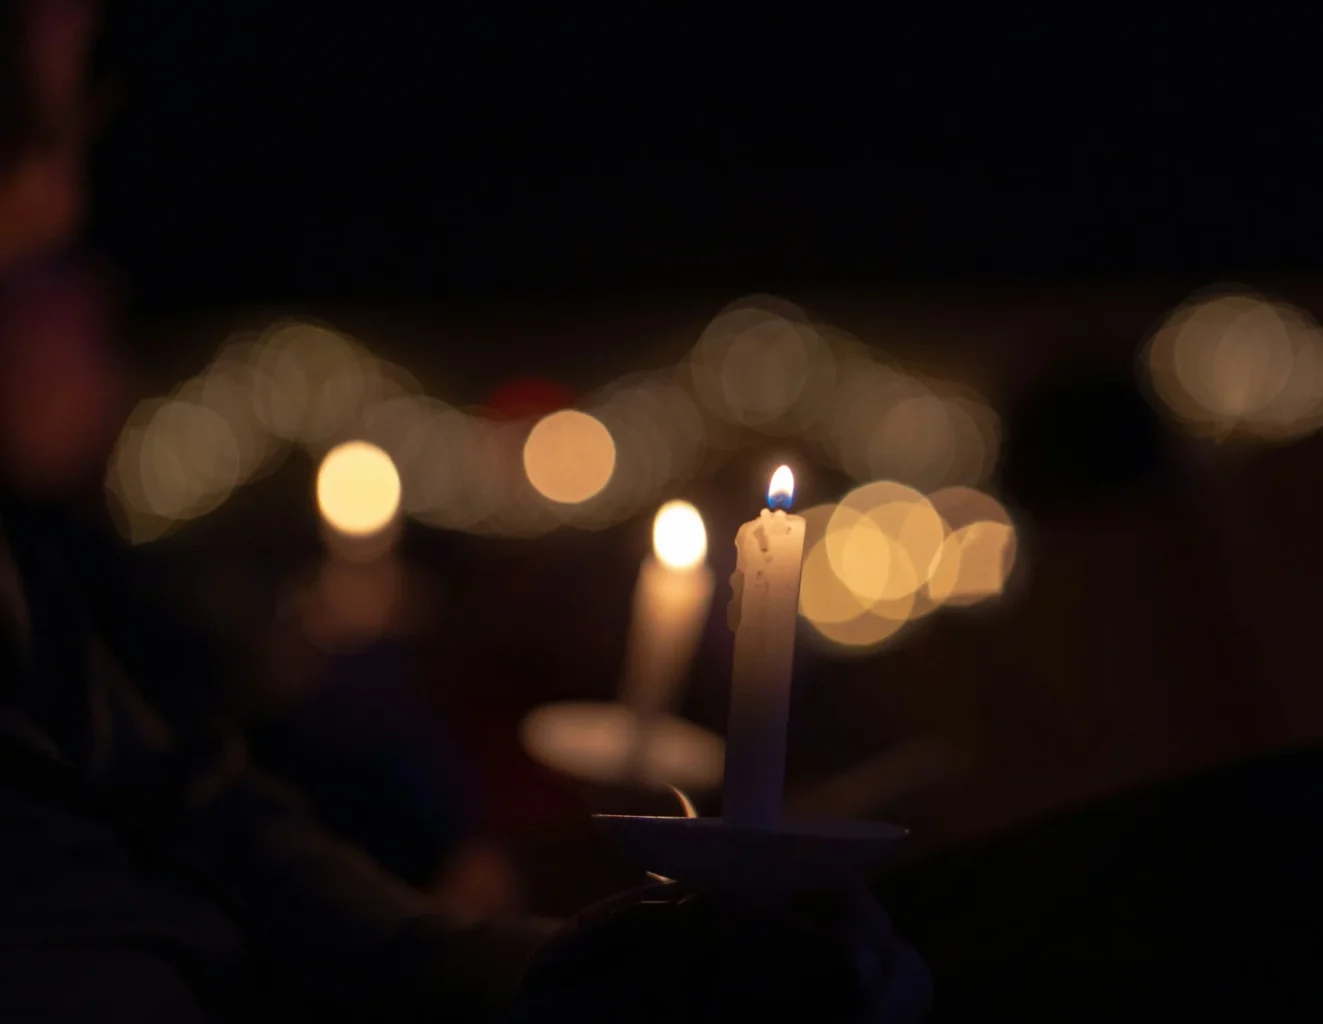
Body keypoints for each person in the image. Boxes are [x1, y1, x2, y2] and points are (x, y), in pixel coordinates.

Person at [0, 3, 928, 1020]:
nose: (60, 206)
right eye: (51, 113)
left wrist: (562, 965)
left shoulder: (41, 589)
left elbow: (203, 807)